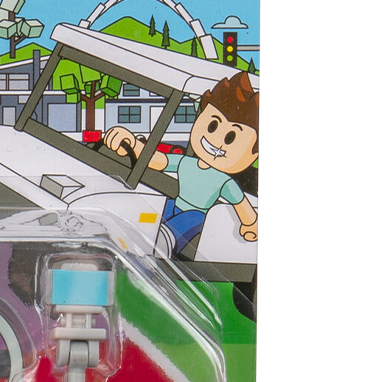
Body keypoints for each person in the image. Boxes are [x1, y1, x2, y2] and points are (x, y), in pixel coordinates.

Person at [103, 67, 259, 254]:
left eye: (230, 138)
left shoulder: (224, 182)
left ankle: (165, 241)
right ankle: (143, 236)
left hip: (196, 215)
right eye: (212, 125)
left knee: (188, 220)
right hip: (173, 205)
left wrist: (251, 225)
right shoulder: (186, 163)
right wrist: (134, 145)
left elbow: (241, 204)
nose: (216, 141)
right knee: (153, 214)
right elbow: (158, 160)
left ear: (253, 155)